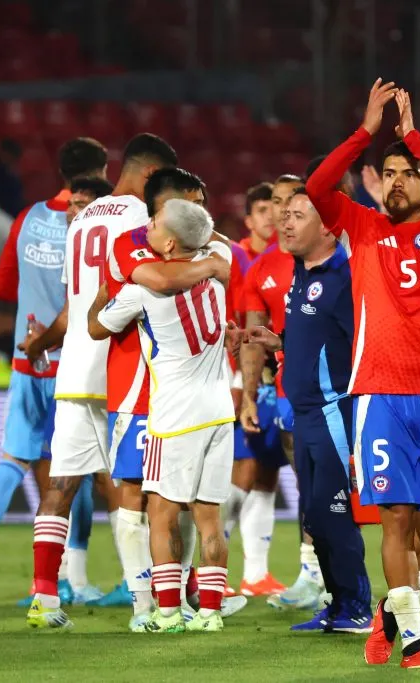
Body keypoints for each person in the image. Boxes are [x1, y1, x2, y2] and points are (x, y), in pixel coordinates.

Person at [21, 134, 225, 629]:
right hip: (127, 368)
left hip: (75, 366)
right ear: (152, 175)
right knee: (147, 491)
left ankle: (44, 597)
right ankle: (150, 603)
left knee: (61, 483)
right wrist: (216, 262)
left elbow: (76, 304)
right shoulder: (141, 221)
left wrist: (41, 343)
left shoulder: (83, 219)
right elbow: (154, 280)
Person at [307, 80, 420, 670]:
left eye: (409, 173)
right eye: (390, 172)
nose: (398, 180)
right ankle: (416, 639)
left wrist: (413, 138)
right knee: (396, 518)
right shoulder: (362, 226)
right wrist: (366, 131)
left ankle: (392, 610)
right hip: (379, 395)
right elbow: (317, 186)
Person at [0, 139, 112, 607]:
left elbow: (5, 288)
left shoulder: (27, 218)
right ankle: (75, 579)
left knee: (12, 459)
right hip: (75, 365)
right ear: (99, 172)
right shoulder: (101, 226)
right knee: (74, 468)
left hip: (25, 362)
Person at [88, 199, 237, 633]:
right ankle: (210, 613)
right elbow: (218, 242)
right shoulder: (221, 262)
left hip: (174, 416)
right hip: (218, 411)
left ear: (169, 242)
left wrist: (106, 288)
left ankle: (168, 612)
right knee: (210, 517)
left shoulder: (142, 291)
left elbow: (97, 328)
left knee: (161, 514)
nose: (146, 228)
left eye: (154, 224)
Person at [247, 188, 374, 632]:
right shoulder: (303, 272)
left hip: (334, 412)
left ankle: (358, 607)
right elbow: (323, 341)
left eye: (297, 215)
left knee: (334, 512)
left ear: (327, 227)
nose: (285, 222)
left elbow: (362, 346)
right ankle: (339, 606)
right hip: (304, 415)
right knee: (314, 516)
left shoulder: (346, 278)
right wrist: (278, 343)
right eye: (284, 214)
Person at [237, 175, 305, 600]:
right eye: (274, 202)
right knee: (306, 482)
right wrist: (247, 394)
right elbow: (251, 338)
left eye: (289, 203)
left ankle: (332, 577)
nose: (281, 212)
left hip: (338, 391)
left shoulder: (335, 257)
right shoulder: (260, 268)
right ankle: (314, 576)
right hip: (286, 391)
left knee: (328, 486)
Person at [239, 182, 278, 260]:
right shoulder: (235, 260)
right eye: (262, 210)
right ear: (249, 222)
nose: (270, 216)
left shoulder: (295, 257)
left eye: (274, 210)